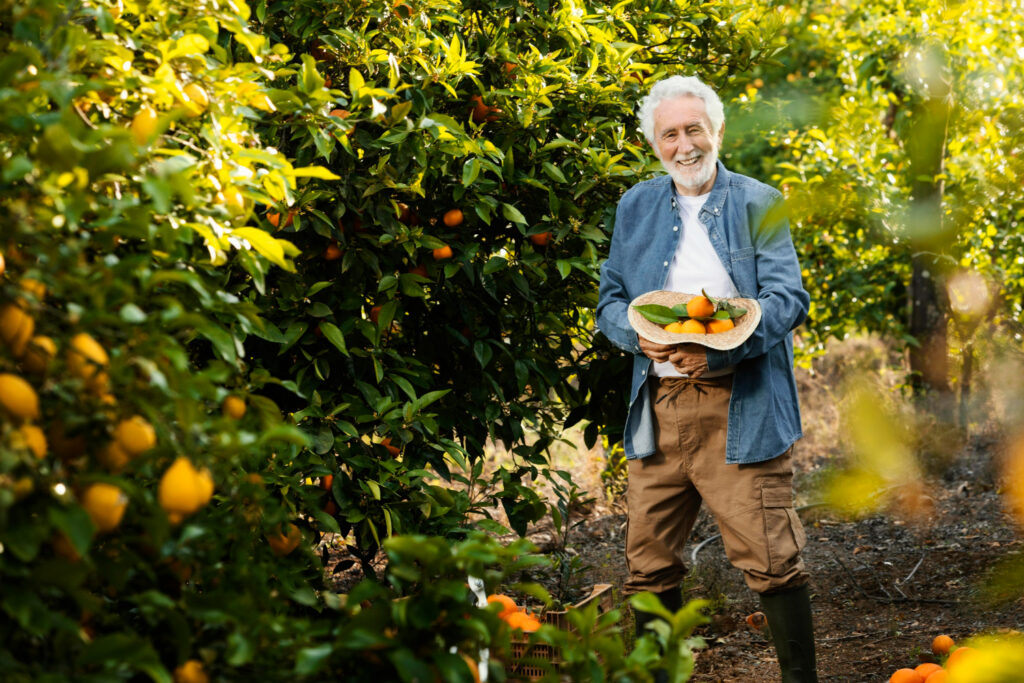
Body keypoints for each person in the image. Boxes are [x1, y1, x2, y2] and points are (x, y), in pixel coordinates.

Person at [596, 75, 817, 682]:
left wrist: (721, 352)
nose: (684, 145)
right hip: (657, 407)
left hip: (739, 407)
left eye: (695, 129)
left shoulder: (758, 201)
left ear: (717, 130)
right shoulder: (635, 205)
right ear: (655, 144)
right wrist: (631, 334)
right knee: (648, 564)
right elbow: (610, 298)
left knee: (773, 559)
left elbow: (787, 298)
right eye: (670, 134)